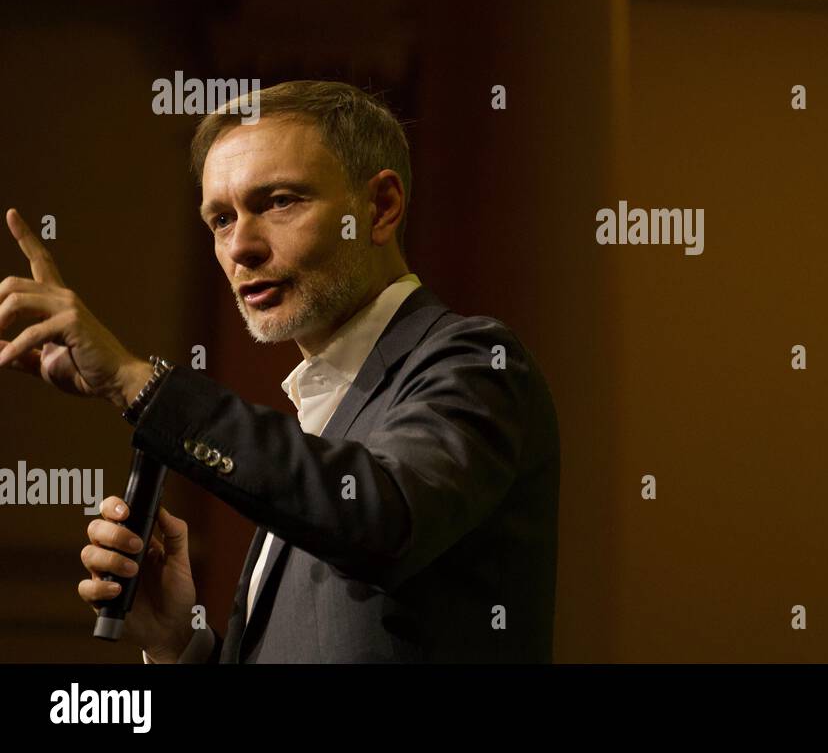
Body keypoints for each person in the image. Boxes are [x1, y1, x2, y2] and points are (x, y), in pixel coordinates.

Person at [0, 80, 560, 662]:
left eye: (279, 201)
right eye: (220, 218)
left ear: (381, 208)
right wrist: (177, 643)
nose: (241, 245)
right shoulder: (319, 417)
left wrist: (133, 380)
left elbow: (380, 517)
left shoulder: (477, 365)